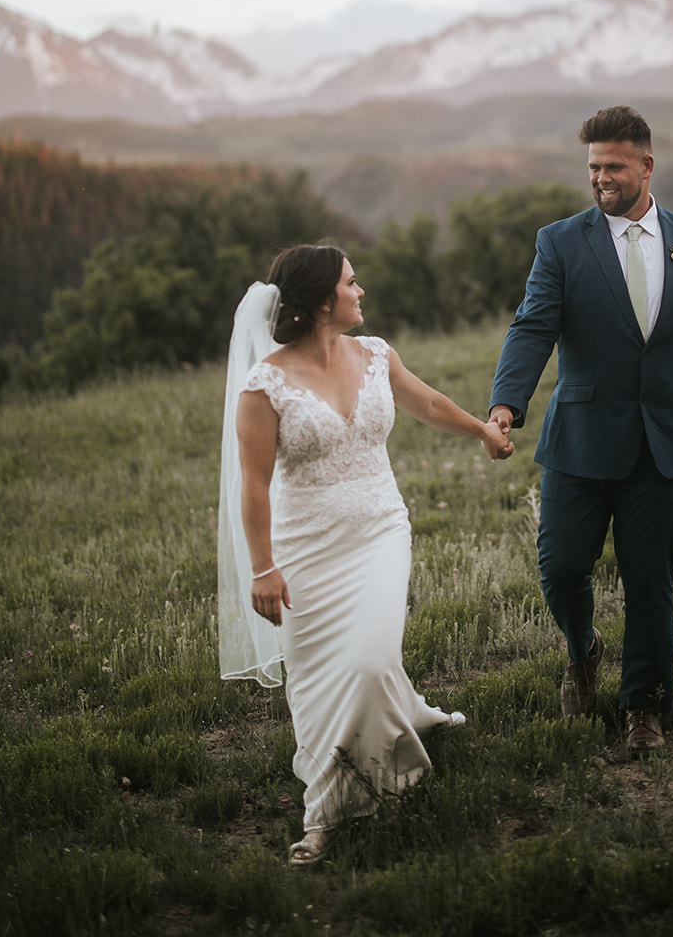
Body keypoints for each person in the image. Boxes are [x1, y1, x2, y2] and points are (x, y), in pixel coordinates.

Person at [217, 242, 513, 865]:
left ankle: (388, 772)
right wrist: (264, 567)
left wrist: (482, 430)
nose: (361, 292)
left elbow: (427, 402)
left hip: (379, 532)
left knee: (372, 660)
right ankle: (325, 812)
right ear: (323, 300)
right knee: (320, 679)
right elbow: (251, 485)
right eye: (351, 284)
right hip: (303, 551)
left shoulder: (376, 354)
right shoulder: (263, 386)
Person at [488, 106, 673, 756]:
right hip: (579, 438)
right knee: (559, 569)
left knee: (649, 581)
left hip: (662, 441)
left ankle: (643, 706)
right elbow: (532, 327)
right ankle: (581, 648)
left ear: (645, 165)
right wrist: (505, 405)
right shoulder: (559, 242)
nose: (600, 178)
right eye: (592, 167)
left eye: (613, 166)